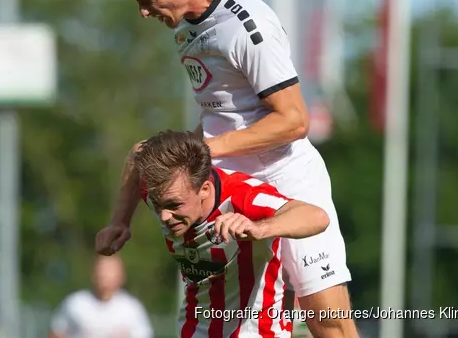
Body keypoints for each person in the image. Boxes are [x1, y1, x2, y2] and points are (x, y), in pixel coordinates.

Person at [95, 0, 358, 337]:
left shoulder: (246, 26)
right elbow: (222, 111)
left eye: (146, 0)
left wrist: (209, 148)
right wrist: (120, 221)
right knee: (233, 315)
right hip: (226, 182)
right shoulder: (185, 27)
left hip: (286, 178)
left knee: (327, 321)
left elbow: (293, 120)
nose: (143, 12)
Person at [129, 129, 330, 337]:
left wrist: (259, 228)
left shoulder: (241, 196)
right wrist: (120, 222)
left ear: (204, 189)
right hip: (195, 330)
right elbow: (136, 155)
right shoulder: (160, 190)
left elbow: (316, 217)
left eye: (174, 205)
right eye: (158, 204)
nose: (163, 217)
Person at [48, 254, 153, 338]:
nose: (105, 275)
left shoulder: (132, 309)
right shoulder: (75, 303)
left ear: (121, 276)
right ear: (93, 273)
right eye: (102, 269)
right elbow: (57, 332)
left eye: (110, 270)